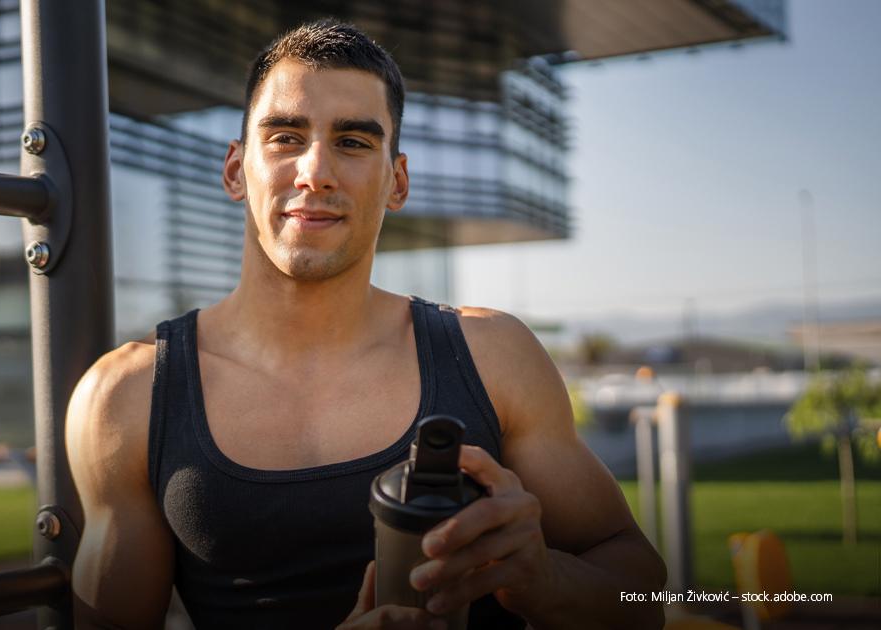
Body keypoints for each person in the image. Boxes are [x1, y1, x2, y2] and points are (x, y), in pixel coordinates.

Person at [66, 19, 666, 630]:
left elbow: (645, 587)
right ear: (235, 170)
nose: (315, 171)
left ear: (396, 181)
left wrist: (546, 579)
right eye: (284, 137)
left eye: (353, 142)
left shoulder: (493, 356)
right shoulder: (127, 397)